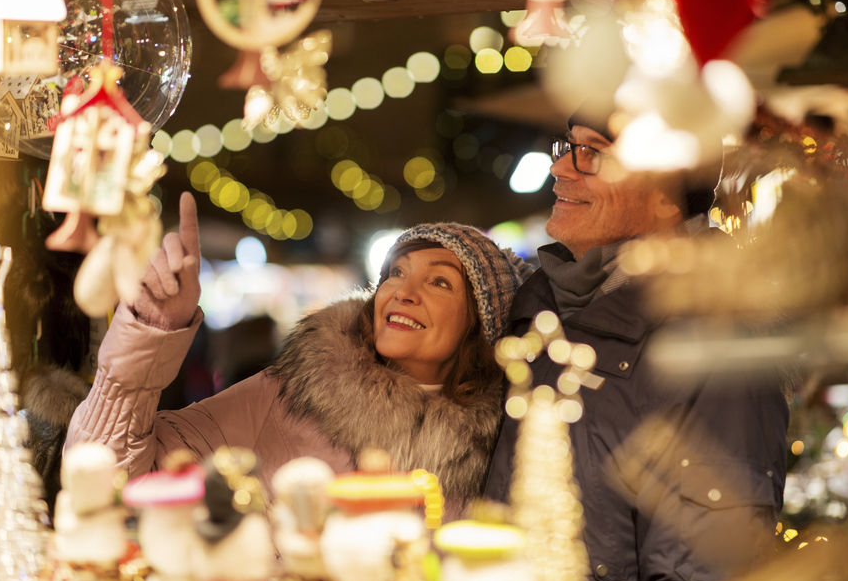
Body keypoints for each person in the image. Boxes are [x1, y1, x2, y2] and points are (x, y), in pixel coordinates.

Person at [484, 116, 789, 581]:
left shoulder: (716, 335)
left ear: (668, 192)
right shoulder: (540, 305)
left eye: (592, 153)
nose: (560, 168)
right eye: (567, 147)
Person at [64, 193, 531, 512]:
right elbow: (106, 475)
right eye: (396, 272)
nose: (402, 292)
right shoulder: (290, 396)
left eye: (439, 282)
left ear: (481, 324)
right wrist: (151, 329)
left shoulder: (500, 449)